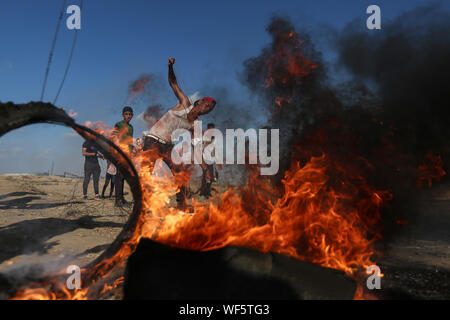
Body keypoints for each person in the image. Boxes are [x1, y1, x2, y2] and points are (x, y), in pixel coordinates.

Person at [143, 57, 216, 209]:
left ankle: (181, 205)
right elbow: (173, 83)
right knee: (146, 174)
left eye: (210, 109)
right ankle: (142, 204)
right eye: (207, 105)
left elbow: (197, 148)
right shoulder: (184, 103)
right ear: (200, 102)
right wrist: (170, 66)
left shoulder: (195, 125)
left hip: (167, 146)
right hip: (152, 140)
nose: (207, 108)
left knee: (180, 173)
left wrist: (204, 168)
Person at [112, 106, 134, 207]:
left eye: (130, 114)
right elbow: (113, 136)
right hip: (121, 153)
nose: (128, 116)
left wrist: (133, 148)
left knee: (123, 176)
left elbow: (129, 140)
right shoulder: (119, 124)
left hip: (128, 154)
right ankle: (118, 201)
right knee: (119, 176)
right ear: (123, 115)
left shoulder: (131, 127)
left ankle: (121, 199)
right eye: (126, 114)